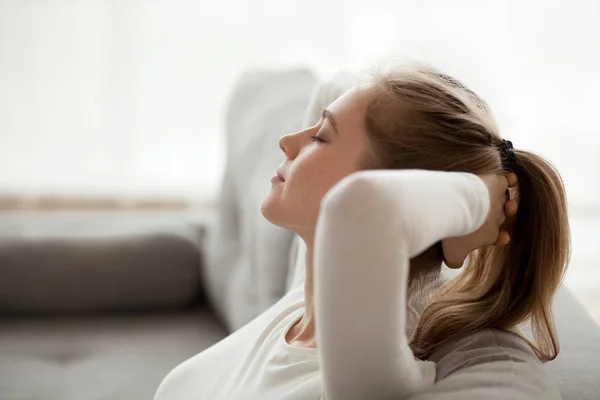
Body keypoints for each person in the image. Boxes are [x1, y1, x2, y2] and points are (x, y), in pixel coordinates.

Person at [154, 63, 570, 400]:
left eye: (319, 137)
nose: (287, 141)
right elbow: (335, 86)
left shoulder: (366, 376)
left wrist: (483, 197)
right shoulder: (306, 298)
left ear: (391, 189)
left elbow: (361, 209)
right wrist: (484, 163)